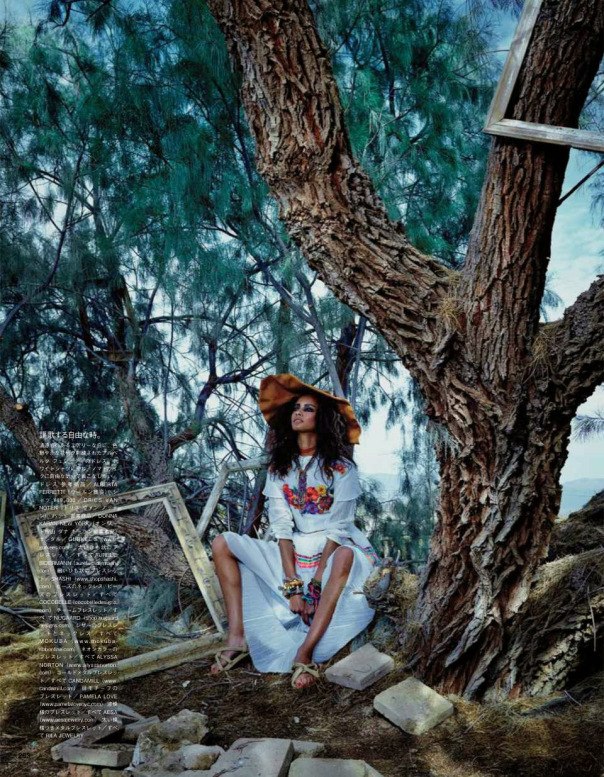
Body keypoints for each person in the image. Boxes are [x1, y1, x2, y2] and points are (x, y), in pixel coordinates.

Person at [210, 373, 378, 689]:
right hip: (296, 551)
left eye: (308, 409)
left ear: (322, 419)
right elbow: (282, 528)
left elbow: (339, 529)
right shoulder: (279, 468)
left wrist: (314, 586)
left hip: (336, 552)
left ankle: (305, 653)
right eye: (296, 408)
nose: (298, 413)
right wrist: (293, 585)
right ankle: (237, 637)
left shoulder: (342, 469)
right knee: (222, 543)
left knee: (344, 554)